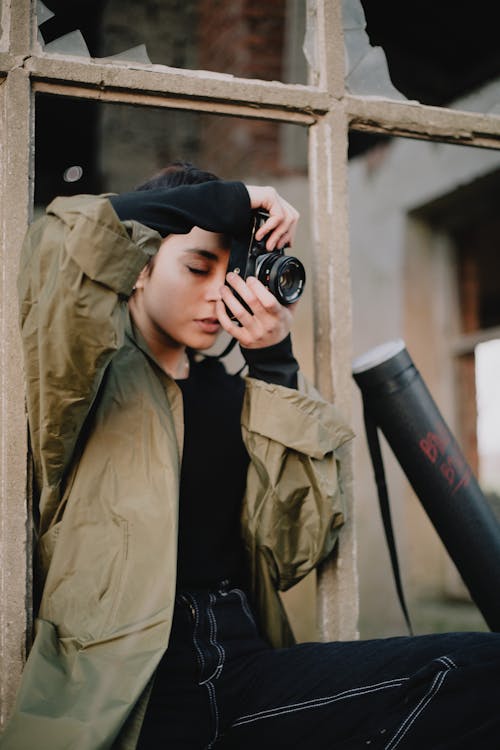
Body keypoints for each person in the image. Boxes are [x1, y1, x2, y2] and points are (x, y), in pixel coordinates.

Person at [1, 162, 500, 750]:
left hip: (246, 669)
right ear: (136, 269)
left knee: (482, 671)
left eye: (232, 270)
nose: (219, 291)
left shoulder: (245, 394)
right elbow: (59, 251)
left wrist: (275, 365)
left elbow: (296, 550)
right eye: (196, 266)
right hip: (130, 682)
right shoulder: (81, 379)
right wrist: (225, 200)